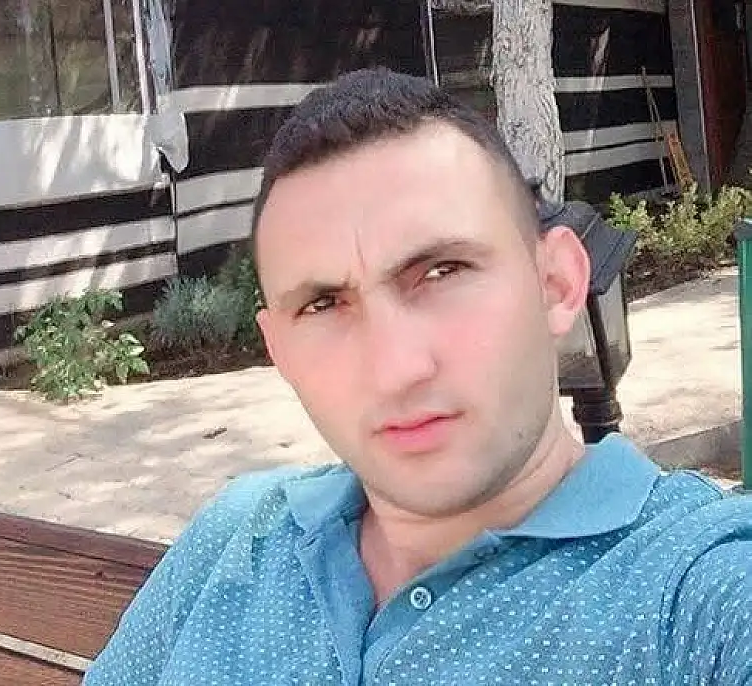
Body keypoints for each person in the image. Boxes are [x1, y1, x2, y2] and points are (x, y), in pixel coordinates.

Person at [83, 68, 752, 685]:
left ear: (555, 283)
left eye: (441, 271)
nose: (395, 370)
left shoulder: (693, 595)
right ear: (279, 350)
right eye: (323, 304)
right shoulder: (239, 534)